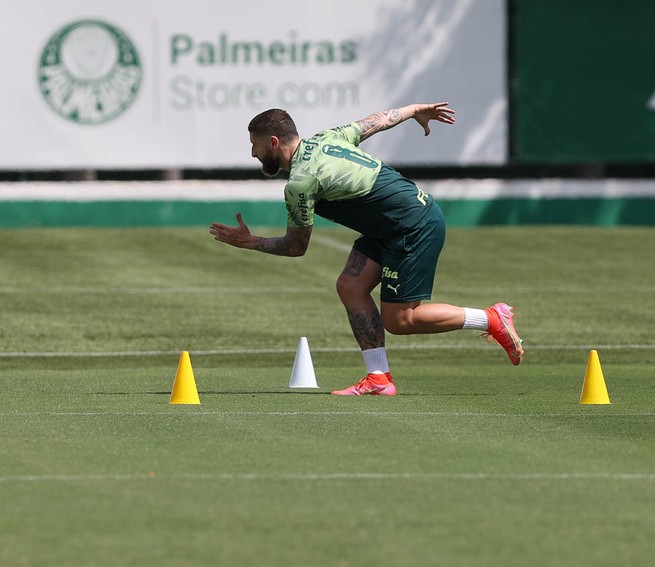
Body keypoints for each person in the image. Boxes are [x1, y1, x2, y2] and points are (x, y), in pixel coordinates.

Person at [209, 102, 523, 396]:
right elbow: (375, 122)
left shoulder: (301, 183)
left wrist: (250, 243)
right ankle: (378, 379)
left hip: (410, 224)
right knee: (351, 285)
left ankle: (490, 318)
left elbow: (296, 247)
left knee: (401, 320)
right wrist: (414, 110)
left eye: (255, 144)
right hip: (391, 224)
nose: (253, 153)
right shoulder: (327, 139)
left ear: (274, 142)